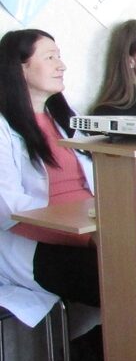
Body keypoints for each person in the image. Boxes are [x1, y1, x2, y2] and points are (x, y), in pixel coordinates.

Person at [0, 30, 103, 359]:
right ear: (21, 68)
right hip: (36, 245)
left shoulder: (68, 121)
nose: (62, 65)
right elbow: (8, 207)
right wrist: (87, 236)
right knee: (128, 279)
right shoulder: (3, 127)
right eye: (50, 57)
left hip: (89, 233)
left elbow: (95, 184)